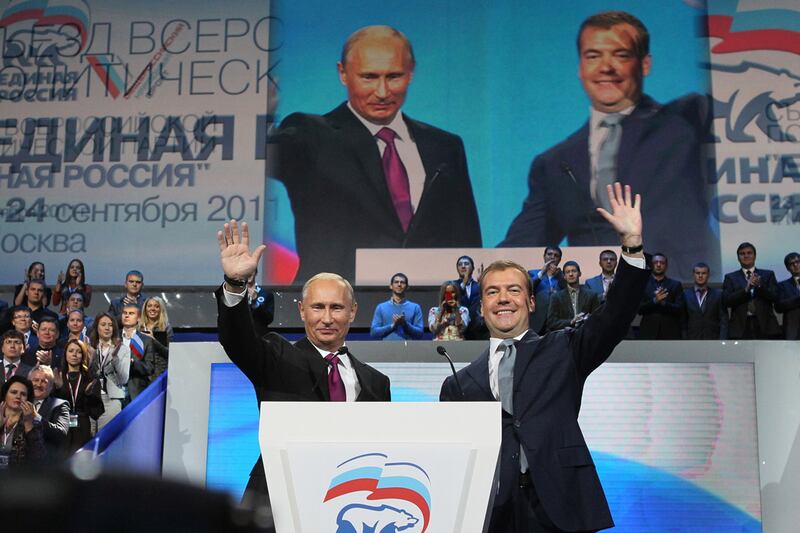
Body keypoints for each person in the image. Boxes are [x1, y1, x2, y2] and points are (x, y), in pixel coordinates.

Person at [441, 183, 649, 533]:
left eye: (514, 290)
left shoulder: (564, 348)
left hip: (559, 506)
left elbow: (616, 314)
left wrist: (631, 245)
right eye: (492, 292)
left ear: (531, 302)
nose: (503, 299)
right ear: (481, 306)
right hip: (490, 513)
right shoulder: (457, 384)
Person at [500, 10, 715, 281]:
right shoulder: (554, 163)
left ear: (645, 64)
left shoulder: (685, 121)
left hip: (674, 290)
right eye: (593, 56)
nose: (606, 67)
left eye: (621, 55)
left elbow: (726, 82)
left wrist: (707, 9)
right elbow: (518, 249)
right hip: (597, 298)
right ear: (580, 68)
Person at [274, 25, 481, 282]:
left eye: (394, 76)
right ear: (343, 73)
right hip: (340, 301)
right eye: (369, 77)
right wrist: (258, 113)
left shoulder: (445, 147)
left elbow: (467, 244)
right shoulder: (310, 135)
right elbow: (257, 158)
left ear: (411, 72)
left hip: (428, 300)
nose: (382, 92)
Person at [215, 219, 391, 511]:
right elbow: (236, 339)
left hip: (348, 503)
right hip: (279, 499)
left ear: (352, 312)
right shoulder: (276, 356)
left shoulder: (377, 382)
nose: (327, 318)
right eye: (317, 307)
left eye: (336, 308)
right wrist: (235, 285)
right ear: (301, 311)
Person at [722, 242, 781, 339]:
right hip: (740, 327)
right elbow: (726, 301)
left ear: (755, 256)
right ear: (738, 258)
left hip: (766, 325)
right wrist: (746, 289)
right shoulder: (730, 277)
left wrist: (760, 286)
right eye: (742, 253)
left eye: (749, 253)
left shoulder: (768, 274)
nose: (746, 256)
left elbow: (775, 297)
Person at [55, 339, 103, 453]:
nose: (74, 354)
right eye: (71, 351)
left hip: (82, 427)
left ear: (83, 355)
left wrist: (89, 395)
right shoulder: (58, 377)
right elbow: (51, 406)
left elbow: (96, 413)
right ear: (65, 354)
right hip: (61, 425)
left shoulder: (90, 379)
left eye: (79, 352)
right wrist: (58, 389)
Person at [88, 313, 130, 431]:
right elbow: (86, 374)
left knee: (106, 436)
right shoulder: (90, 347)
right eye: (103, 324)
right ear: (97, 327)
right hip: (91, 397)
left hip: (112, 399)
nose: (107, 328)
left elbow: (123, 379)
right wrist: (91, 358)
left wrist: (115, 358)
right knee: (89, 436)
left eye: (110, 325)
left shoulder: (123, 349)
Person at [0, 375, 46, 467]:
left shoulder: (34, 423)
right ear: (5, 395)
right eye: (14, 392)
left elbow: (39, 459)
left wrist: (28, 424)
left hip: (18, 474)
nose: (18, 396)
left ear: (27, 399)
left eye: (23, 394)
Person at [637, 253, 683, 339]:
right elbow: (639, 309)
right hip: (648, 331)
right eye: (656, 262)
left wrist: (663, 303)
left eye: (662, 263)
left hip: (670, 331)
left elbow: (680, 309)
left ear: (666, 266)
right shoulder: (643, 284)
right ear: (651, 265)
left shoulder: (675, 284)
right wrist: (654, 301)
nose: (658, 265)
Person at [28, 365, 70, 460]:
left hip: (46, 462)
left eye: (44, 381)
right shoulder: (19, 402)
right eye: (35, 380)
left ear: (51, 387)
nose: (39, 384)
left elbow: (60, 434)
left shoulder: (60, 405)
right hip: (20, 461)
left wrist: (36, 416)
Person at [545, 261, 601, 332]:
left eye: (574, 271)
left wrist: (588, 319)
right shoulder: (556, 297)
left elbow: (598, 319)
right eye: (567, 272)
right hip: (564, 335)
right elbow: (551, 322)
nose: (571, 274)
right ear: (564, 276)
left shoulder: (592, 295)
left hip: (586, 334)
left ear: (579, 274)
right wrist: (571, 321)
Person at [370, 273, 424, 340]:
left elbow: (420, 334)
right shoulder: (381, 307)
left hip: (408, 346)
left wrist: (405, 324)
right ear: (391, 286)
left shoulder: (415, 307)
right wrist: (392, 326)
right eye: (396, 282)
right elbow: (373, 333)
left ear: (407, 287)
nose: (399, 284)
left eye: (402, 282)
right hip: (387, 346)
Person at [120, 303, 157, 400]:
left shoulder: (146, 340)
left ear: (139, 318)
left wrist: (133, 363)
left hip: (135, 392)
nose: (127, 316)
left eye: (131, 313)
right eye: (124, 313)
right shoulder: (114, 337)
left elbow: (149, 368)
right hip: (115, 391)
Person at [682, 262, 728, 340]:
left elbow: (723, 320)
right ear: (693, 275)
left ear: (708, 275)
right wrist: (684, 340)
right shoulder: (685, 295)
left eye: (704, 273)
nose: (700, 276)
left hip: (713, 339)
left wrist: (722, 341)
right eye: (697, 273)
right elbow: (683, 321)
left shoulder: (718, 295)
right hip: (692, 339)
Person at [527, 246, 567, 334]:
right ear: (544, 256)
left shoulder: (563, 276)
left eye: (556, 255)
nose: (552, 257)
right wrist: (542, 272)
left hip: (557, 322)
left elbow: (568, 293)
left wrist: (560, 277)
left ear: (560, 259)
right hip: (537, 321)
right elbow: (527, 288)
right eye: (549, 254)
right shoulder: (533, 273)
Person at [139, 296, 172, 379]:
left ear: (161, 309)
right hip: (141, 372)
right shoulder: (139, 327)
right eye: (149, 306)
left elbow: (169, 353)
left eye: (156, 306)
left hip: (159, 372)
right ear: (145, 308)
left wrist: (153, 340)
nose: (152, 309)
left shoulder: (166, 328)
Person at [775, 252, 800, 340]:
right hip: (793, 331)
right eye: (792, 264)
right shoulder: (782, 285)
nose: (795, 265)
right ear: (787, 268)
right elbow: (778, 307)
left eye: (798, 262)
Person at [245, 270, 275, 338]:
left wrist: (255, 304)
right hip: (241, 336)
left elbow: (269, 319)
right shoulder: (237, 294)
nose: (248, 274)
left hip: (260, 337)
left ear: (255, 273)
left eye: (251, 271)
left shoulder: (266, 294)